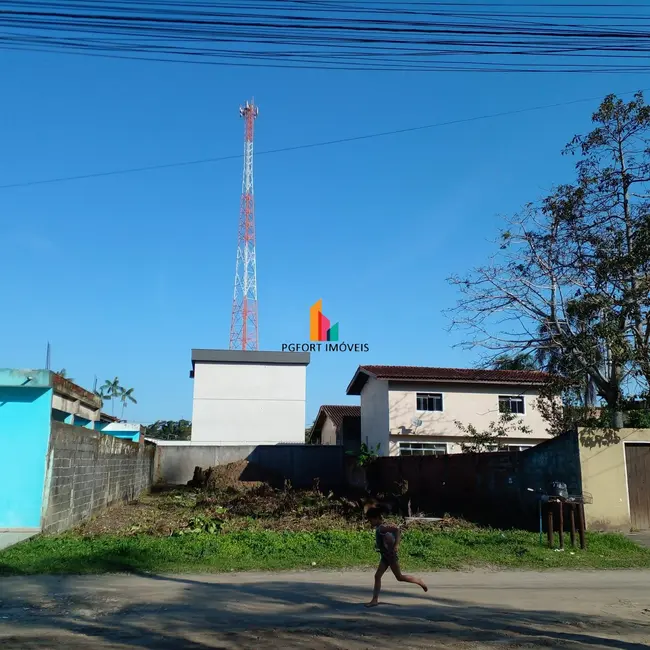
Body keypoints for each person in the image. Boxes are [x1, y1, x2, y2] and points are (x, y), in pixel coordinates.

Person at [365, 506, 428, 607]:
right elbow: (386, 540)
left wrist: (396, 545)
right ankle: (374, 600)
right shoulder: (380, 528)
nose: (370, 522)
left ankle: (418, 581)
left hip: (391, 556)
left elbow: (397, 530)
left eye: (371, 520)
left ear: (376, 518)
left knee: (399, 577)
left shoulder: (383, 527)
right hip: (385, 556)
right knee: (377, 576)